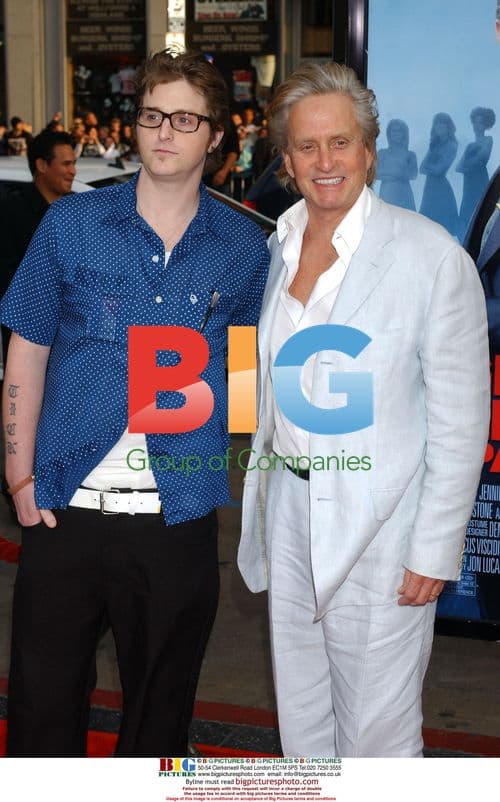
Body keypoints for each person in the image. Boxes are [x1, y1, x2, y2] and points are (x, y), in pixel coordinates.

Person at [1, 48, 269, 758]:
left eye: (185, 119)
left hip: (175, 521)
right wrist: (19, 477)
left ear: (216, 136)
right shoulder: (71, 224)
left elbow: (246, 381)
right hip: (64, 509)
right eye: (153, 115)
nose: (164, 132)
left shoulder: (245, 248)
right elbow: (26, 346)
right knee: (41, 710)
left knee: (160, 720)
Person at [237, 61, 490, 758]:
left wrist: (433, 549)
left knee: (376, 740)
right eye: (308, 146)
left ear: (369, 151)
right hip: (288, 512)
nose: (326, 162)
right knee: (305, 724)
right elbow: (254, 385)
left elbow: (462, 424)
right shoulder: (275, 246)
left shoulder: (430, 258)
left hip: (382, 530)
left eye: (341, 143)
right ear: (285, 159)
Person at [0, 129, 77, 364]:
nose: (73, 171)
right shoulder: (10, 212)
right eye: (66, 164)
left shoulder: (76, 210)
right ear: (42, 166)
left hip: (72, 340)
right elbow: (7, 278)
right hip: (26, 339)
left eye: (74, 163)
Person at [456, 107, 496, 242]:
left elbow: (482, 158)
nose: (477, 126)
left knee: (480, 209)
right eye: (475, 122)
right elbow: (458, 167)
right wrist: (469, 164)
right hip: (468, 183)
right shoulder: (470, 145)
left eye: (480, 123)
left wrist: (468, 164)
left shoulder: (488, 140)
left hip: (479, 180)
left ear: (486, 125)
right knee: (467, 211)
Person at [419, 112, 459, 236]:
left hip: (441, 190)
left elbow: (439, 170)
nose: (440, 128)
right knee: (427, 228)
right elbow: (421, 168)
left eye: (443, 125)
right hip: (429, 189)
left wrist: (430, 167)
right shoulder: (434, 145)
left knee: (443, 228)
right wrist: (432, 167)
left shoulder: (452, 145)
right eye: (437, 125)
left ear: (448, 127)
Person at [376, 118, 417, 210]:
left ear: (404, 134)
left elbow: (413, 175)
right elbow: (375, 174)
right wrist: (398, 173)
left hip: (404, 194)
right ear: (389, 133)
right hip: (387, 194)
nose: (396, 134)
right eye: (393, 130)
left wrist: (387, 174)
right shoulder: (382, 153)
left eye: (399, 131)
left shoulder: (410, 154)